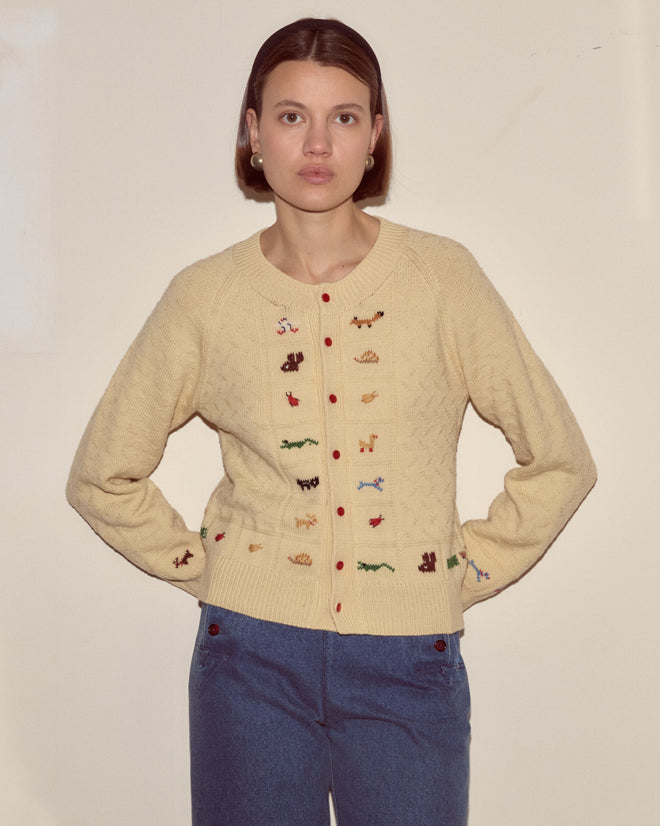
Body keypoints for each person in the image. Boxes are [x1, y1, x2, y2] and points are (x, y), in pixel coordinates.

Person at [66, 17, 597, 826]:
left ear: (376, 134)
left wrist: (463, 572)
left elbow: (561, 459)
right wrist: (213, 572)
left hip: (408, 662)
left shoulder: (442, 279)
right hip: (249, 662)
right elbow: (103, 475)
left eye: (344, 117)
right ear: (253, 133)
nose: (318, 144)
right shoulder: (204, 298)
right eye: (290, 116)